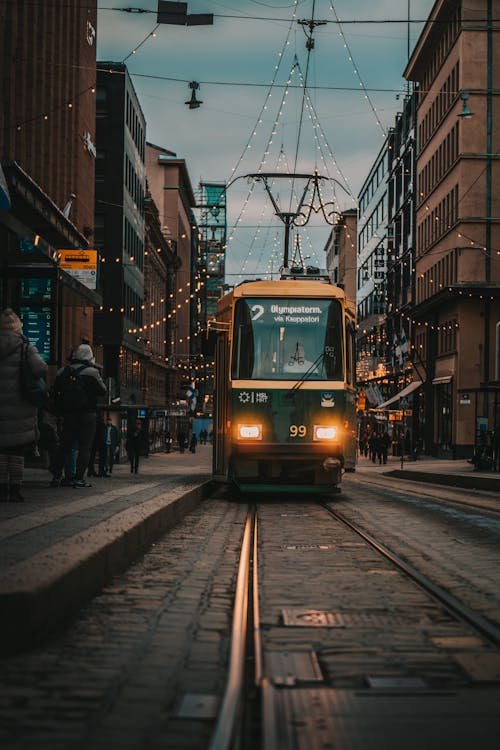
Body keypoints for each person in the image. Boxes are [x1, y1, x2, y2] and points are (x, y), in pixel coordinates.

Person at [0, 308, 47, 502]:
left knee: (1, 451)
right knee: (16, 451)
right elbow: (41, 368)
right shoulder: (25, 347)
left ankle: (1, 488)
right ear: (17, 326)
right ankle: (15, 488)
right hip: (20, 404)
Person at [51, 344, 107, 488]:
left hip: (69, 415)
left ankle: (57, 476)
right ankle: (79, 478)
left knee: (65, 446)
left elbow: (55, 391)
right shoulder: (92, 372)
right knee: (85, 447)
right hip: (87, 415)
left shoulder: (62, 371)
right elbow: (103, 391)